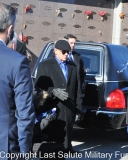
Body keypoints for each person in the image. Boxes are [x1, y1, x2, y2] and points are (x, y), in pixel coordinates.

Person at [0, 2, 35, 157]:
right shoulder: (17, 62)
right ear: (9, 29)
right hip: (5, 146)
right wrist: (25, 151)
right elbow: (25, 113)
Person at [35, 40, 82, 153]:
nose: (66, 54)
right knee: (52, 147)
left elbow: (78, 90)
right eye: (64, 52)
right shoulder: (45, 65)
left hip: (69, 110)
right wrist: (52, 91)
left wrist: (78, 110)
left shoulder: (73, 67)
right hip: (52, 110)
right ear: (56, 51)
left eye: (68, 52)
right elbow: (38, 88)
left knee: (65, 145)